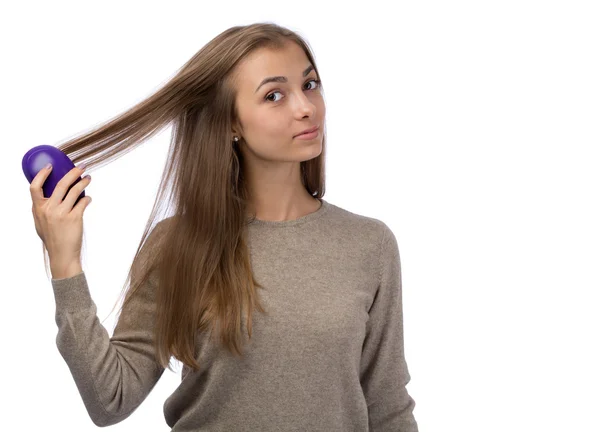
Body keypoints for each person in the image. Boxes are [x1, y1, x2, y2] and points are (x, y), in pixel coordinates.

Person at [29, 22, 418, 431]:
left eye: (310, 84)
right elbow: (110, 399)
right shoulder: (179, 245)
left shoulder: (368, 244)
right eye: (274, 95)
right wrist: (64, 262)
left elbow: (388, 406)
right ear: (231, 124)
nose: (306, 107)